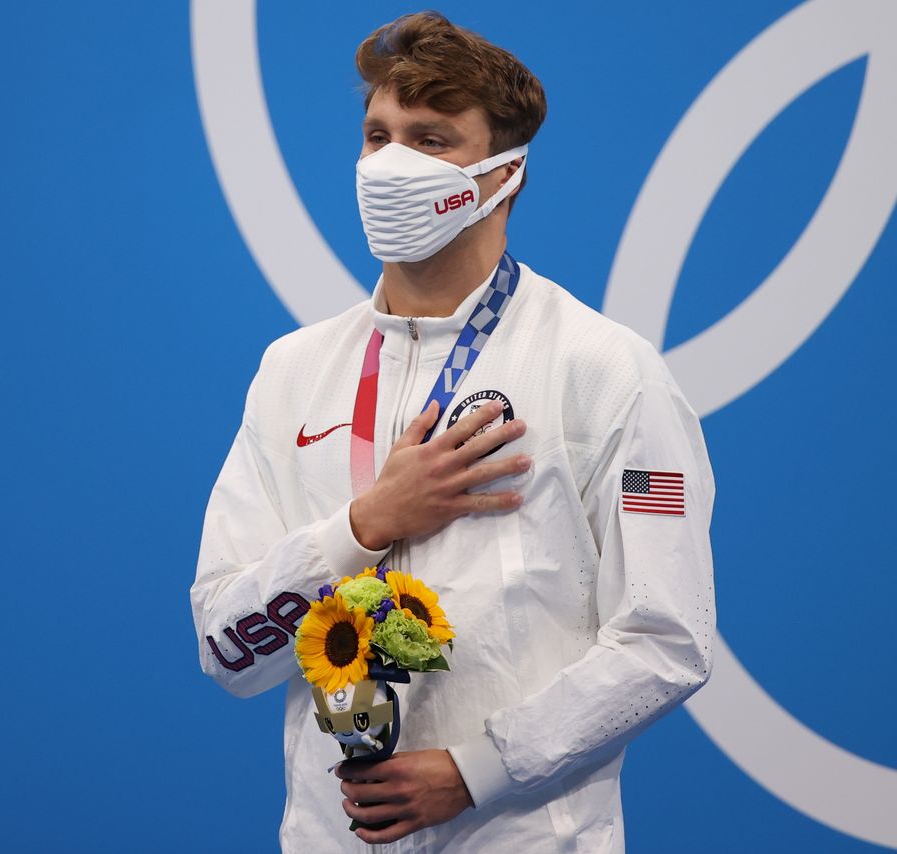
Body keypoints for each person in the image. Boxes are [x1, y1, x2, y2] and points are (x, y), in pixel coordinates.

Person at [190, 11, 716, 852]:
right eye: (376, 135)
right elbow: (227, 647)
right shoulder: (292, 371)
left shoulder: (605, 368)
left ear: (505, 175)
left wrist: (480, 769)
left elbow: (665, 640)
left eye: (430, 139)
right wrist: (363, 527)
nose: (390, 164)